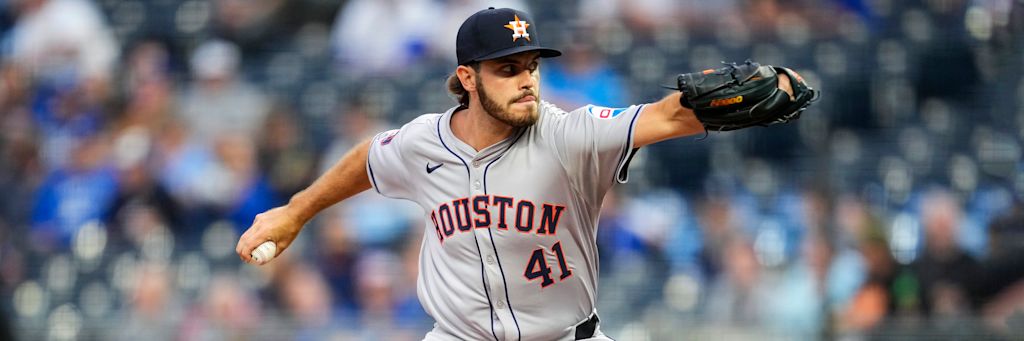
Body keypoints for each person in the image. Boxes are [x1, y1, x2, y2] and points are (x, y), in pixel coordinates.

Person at [237, 7, 805, 340]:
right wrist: (295, 211)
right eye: (508, 69)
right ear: (467, 77)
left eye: (531, 66)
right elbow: (368, 157)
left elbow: (665, 115)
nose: (527, 80)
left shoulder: (570, 134)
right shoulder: (422, 142)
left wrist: (776, 82)